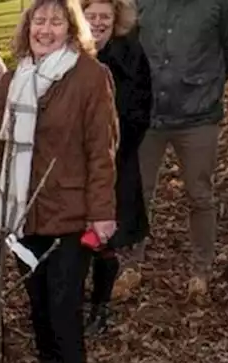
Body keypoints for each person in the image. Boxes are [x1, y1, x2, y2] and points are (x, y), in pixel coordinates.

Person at [0, 0, 118, 363]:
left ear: (70, 27)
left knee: (63, 307)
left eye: (55, 21)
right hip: (23, 215)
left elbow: (102, 150)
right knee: (37, 306)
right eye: (38, 20)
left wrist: (102, 213)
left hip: (70, 215)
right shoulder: (14, 78)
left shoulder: (89, 77)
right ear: (27, 27)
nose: (45, 29)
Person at [130, 0, 228, 299]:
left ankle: (200, 271)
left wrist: (206, 84)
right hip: (148, 113)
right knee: (137, 192)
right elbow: (127, 40)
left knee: (199, 194)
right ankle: (130, 265)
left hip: (198, 115)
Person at [81, 0, 153, 334]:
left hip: (115, 162)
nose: (97, 23)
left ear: (116, 20)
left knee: (104, 239)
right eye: (90, 16)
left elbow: (141, 110)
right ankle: (75, 298)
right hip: (72, 166)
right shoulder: (70, 56)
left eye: (104, 17)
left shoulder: (131, 56)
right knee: (76, 238)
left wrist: (112, 150)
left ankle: (100, 304)